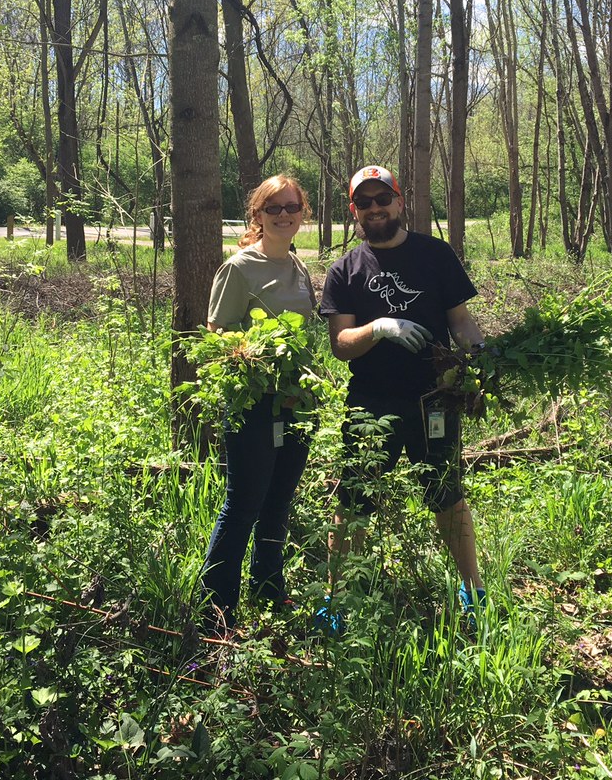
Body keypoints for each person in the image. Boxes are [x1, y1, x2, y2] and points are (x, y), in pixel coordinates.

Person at [319, 165, 486, 626]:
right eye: (364, 203)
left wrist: (487, 358)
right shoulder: (345, 270)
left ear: (400, 201)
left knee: (446, 494)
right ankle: (337, 598)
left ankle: (473, 589)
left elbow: (461, 324)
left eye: (382, 199)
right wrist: (379, 328)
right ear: (354, 211)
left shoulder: (436, 256)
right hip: (371, 402)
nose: (375, 209)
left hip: (435, 397)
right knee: (353, 500)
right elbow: (340, 346)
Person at [200, 174, 317, 634]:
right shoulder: (239, 268)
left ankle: (269, 594)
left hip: (298, 403)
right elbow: (217, 334)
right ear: (258, 215)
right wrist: (258, 354)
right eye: (274, 209)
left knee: (279, 504)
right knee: (244, 503)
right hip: (253, 403)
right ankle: (217, 611)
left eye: (292, 207)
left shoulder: (299, 267)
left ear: (302, 214)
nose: (284, 215)